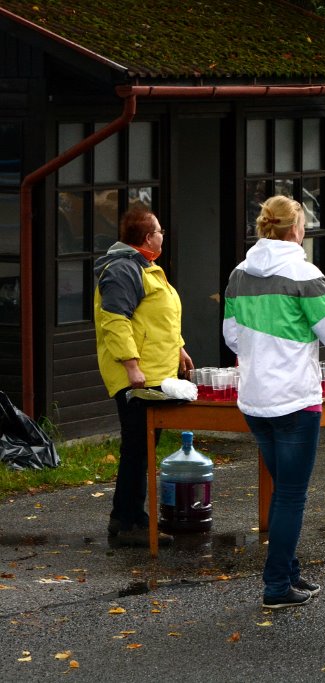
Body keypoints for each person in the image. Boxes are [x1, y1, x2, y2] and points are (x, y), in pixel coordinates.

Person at [222, 195, 325, 609]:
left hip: (255, 399)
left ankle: (289, 572)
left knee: (284, 492)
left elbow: (232, 338)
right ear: (296, 230)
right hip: (295, 399)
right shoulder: (305, 274)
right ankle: (276, 585)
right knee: (292, 496)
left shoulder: (239, 274)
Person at [94, 207, 194, 546]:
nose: (163, 235)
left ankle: (129, 516)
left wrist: (178, 347)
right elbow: (115, 320)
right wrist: (131, 364)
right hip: (137, 377)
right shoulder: (123, 269)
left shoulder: (145, 267)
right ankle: (128, 522)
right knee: (137, 447)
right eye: (160, 231)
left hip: (155, 373)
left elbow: (156, 318)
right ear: (148, 237)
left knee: (143, 446)